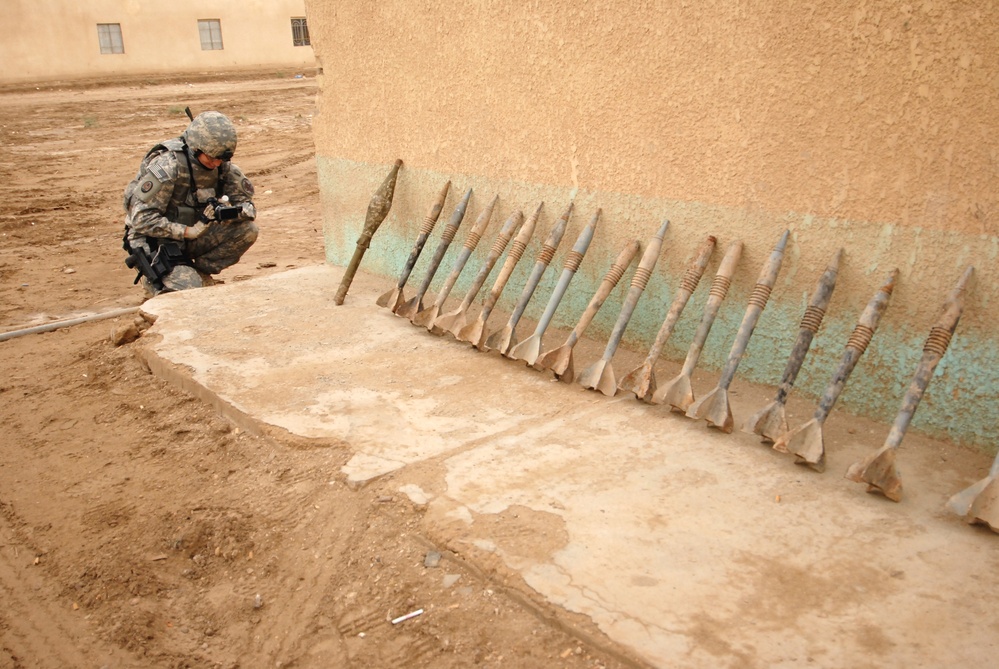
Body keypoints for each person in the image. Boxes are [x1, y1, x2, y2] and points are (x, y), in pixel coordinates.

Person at [122, 110, 258, 295]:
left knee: (247, 231)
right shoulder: (168, 167)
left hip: (192, 233)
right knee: (186, 294)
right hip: (157, 239)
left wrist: (236, 211)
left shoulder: (221, 165)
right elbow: (141, 219)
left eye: (222, 159)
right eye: (212, 158)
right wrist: (188, 232)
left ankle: (196, 273)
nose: (217, 164)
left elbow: (247, 204)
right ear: (196, 148)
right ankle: (160, 281)